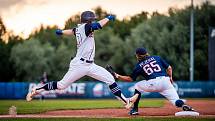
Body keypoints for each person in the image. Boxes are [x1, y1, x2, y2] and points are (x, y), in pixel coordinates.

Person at [26, 11, 130, 107]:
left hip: (90, 65)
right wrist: (108, 18)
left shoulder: (80, 28)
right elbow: (98, 25)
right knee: (61, 85)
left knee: (110, 79)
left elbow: (72, 31)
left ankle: (126, 102)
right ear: (88, 20)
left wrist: (61, 32)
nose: (93, 21)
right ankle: (36, 90)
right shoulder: (85, 27)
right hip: (79, 65)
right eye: (92, 19)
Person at [113, 47, 195, 115]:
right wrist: (170, 77)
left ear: (138, 55)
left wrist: (118, 76)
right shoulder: (157, 57)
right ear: (146, 53)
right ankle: (183, 105)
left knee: (137, 86)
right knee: (176, 101)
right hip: (165, 81)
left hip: (153, 83)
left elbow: (130, 79)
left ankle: (135, 110)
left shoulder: (139, 66)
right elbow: (169, 68)